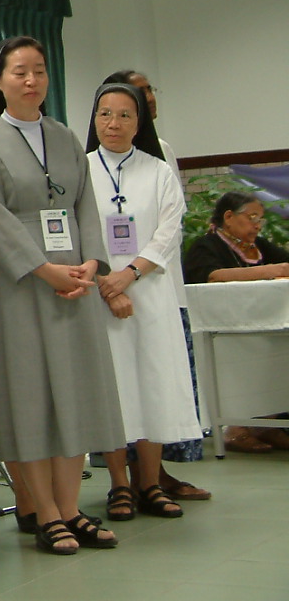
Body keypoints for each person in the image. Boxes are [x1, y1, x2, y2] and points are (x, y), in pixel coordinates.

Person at [0, 36, 122, 555]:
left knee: (76, 392)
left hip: (75, 279)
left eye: (39, 70)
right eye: (19, 71)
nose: (31, 80)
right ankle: (44, 512)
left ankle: (71, 508)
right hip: (22, 284)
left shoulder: (66, 136)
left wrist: (91, 262)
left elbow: (86, 204)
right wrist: (44, 269)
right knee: (29, 397)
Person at [83, 82, 201, 522]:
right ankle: (119, 485)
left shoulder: (158, 171)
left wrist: (128, 275)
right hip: (98, 296)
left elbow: (169, 231)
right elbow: (76, 232)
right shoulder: (80, 170)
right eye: (105, 114)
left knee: (153, 386)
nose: (113, 123)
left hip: (150, 294)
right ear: (94, 120)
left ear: (140, 123)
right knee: (114, 390)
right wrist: (106, 284)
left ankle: (149, 483)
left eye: (124, 115)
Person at [183, 191, 289, 453]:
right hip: (220, 330)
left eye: (260, 219)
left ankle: (266, 423)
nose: (257, 225)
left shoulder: (259, 246)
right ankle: (236, 428)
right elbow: (213, 276)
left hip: (260, 323)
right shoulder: (205, 246)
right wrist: (271, 270)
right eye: (252, 217)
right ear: (228, 217)